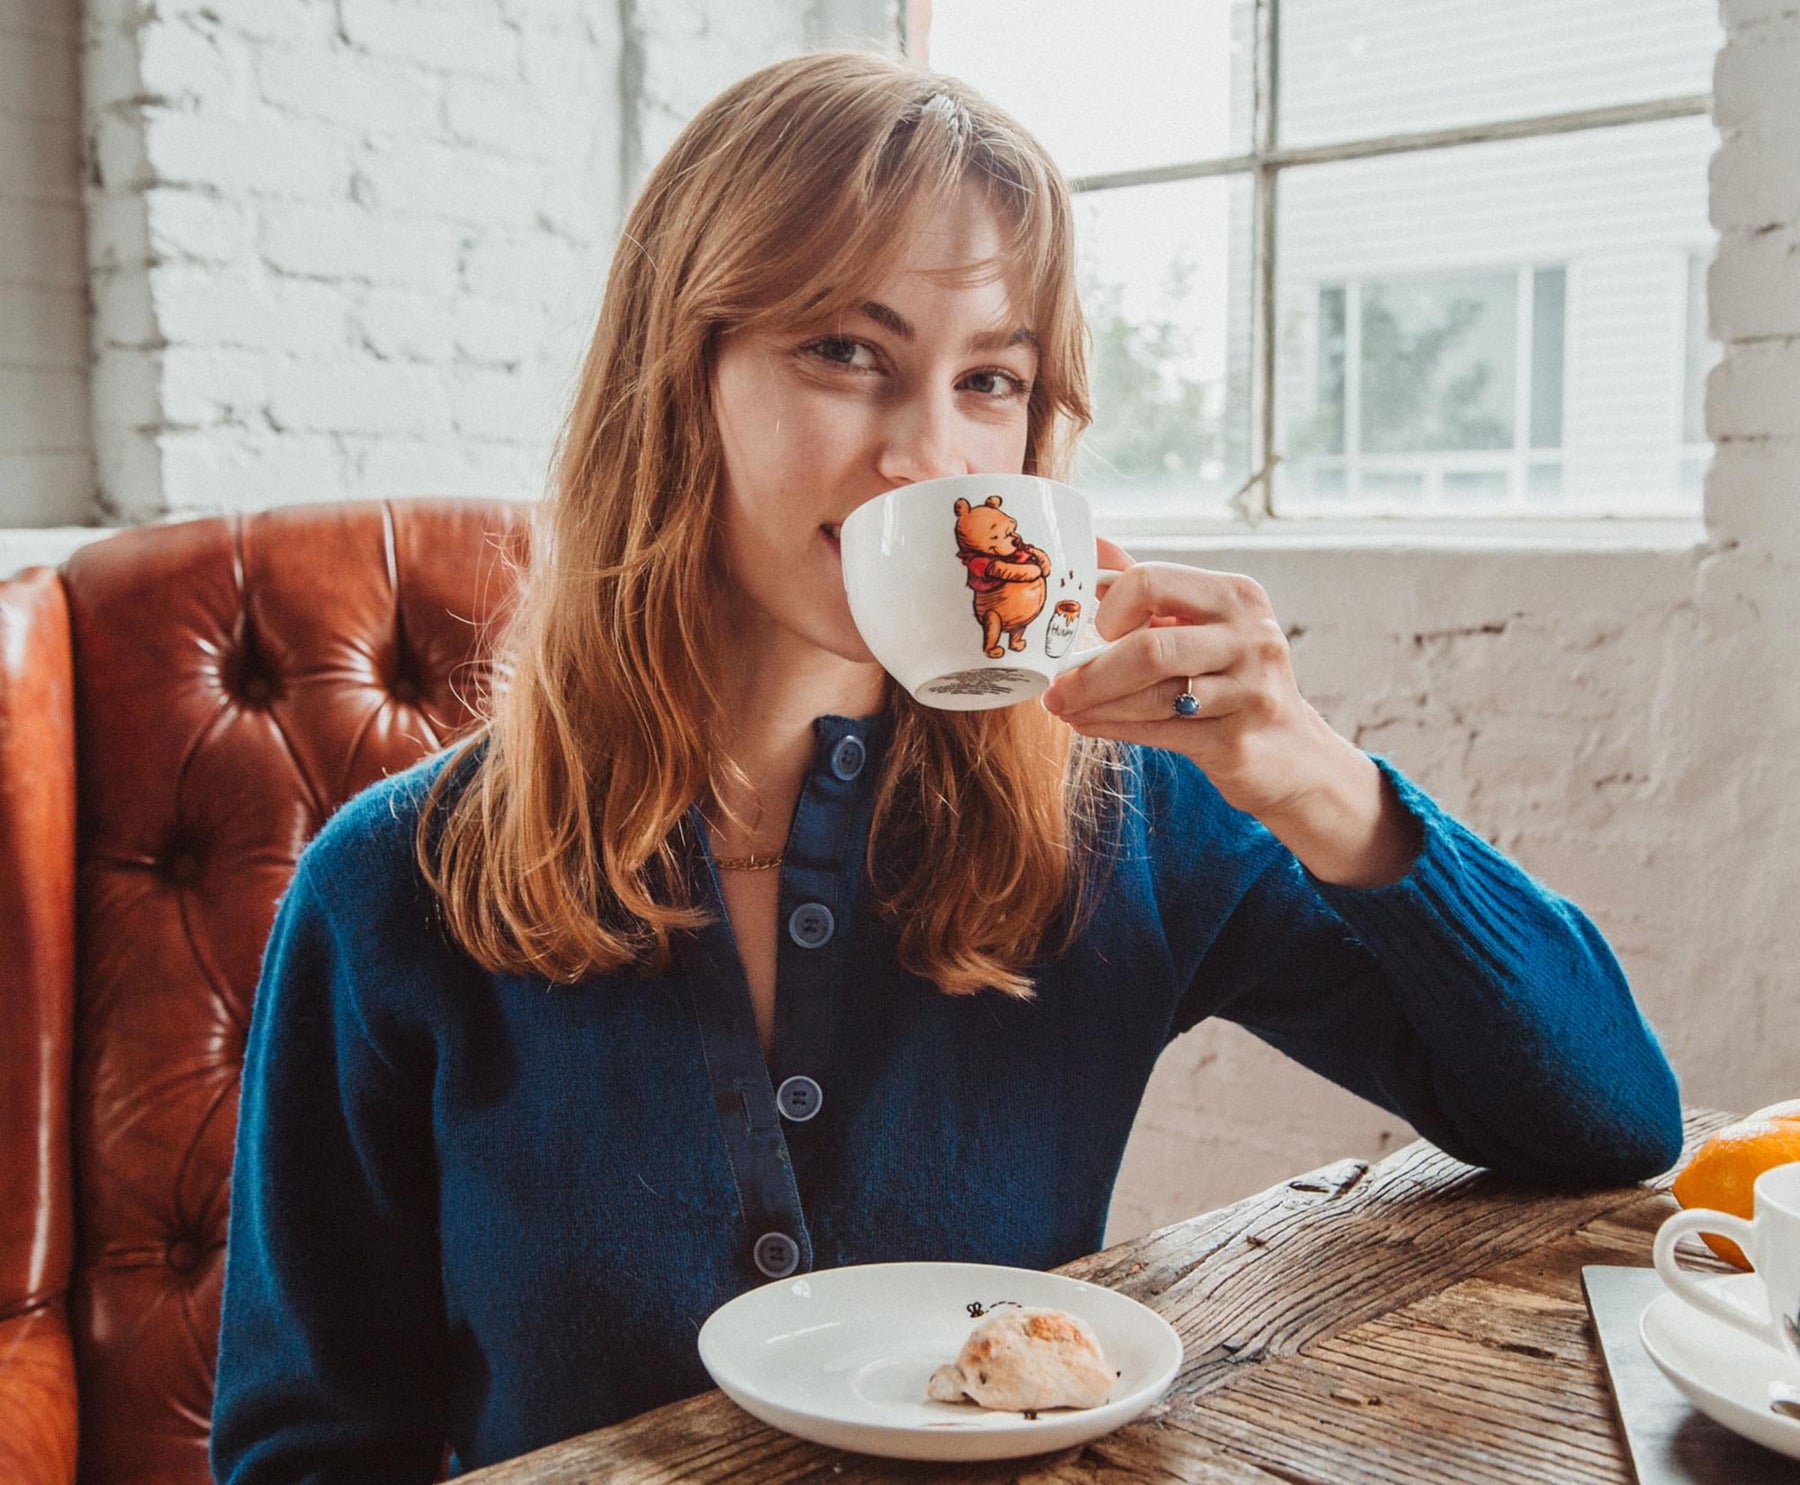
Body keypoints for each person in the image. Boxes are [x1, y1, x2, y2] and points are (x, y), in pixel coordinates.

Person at [210, 49, 1682, 1482]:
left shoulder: (1126, 812)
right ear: (678, 380)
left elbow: (1607, 1117)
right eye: (847, 352)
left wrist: (1311, 776)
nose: (930, 456)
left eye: (991, 383)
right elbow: (309, 1443)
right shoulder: (395, 884)